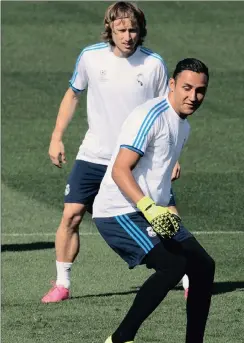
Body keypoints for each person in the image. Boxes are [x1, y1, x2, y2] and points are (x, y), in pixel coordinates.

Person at [93, 58, 233, 343]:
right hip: (120, 211)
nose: (193, 96)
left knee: (203, 265)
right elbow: (119, 169)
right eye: (186, 88)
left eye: (200, 91)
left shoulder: (183, 124)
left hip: (152, 211)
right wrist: (149, 207)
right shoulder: (151, 116)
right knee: (173, 265)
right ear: (171, 85)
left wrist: (167, 210)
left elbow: (158, 175)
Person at [41, 1, 181, 303]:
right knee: (72, 215)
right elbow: (72, 94)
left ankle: (187, 278)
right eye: (121, 30)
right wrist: (57, 136)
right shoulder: (91, 58)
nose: (128, 36)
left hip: (137, 158)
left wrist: (173, 156)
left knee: (166, 216)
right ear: (110, 29)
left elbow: (166, 111)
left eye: (133, 30)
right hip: (95, 154)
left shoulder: (153, 64)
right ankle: (62, 283)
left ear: (140, 30)